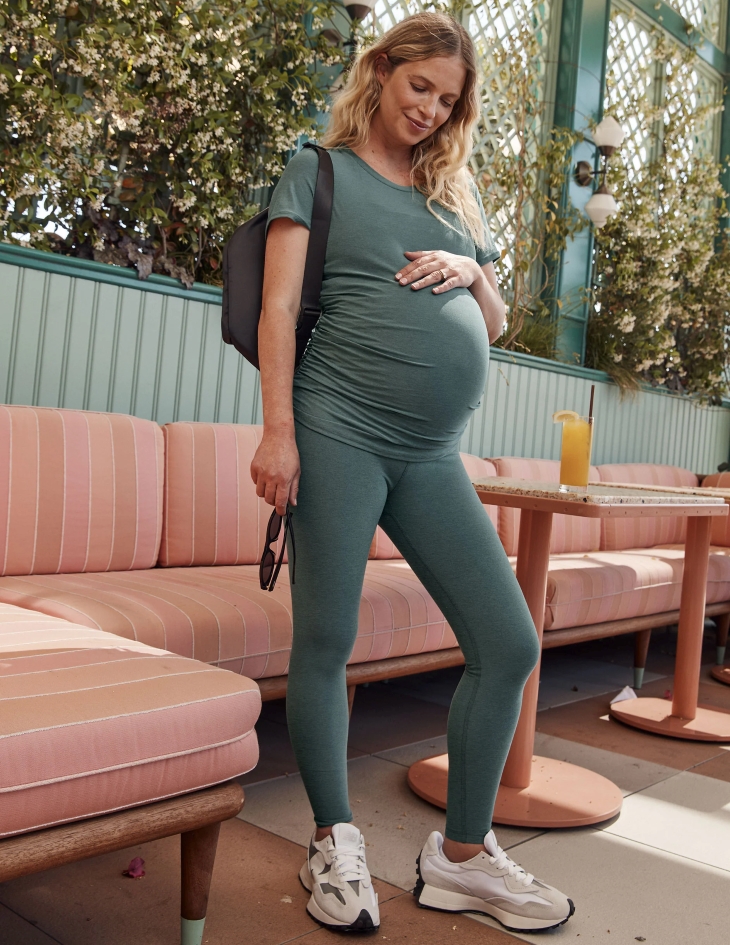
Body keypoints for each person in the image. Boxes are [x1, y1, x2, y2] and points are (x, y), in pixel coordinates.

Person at [250, 10, 574, 936]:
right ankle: (334, 842)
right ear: (382, 72)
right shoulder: (318, 172)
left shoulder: (449, 203)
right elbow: (277, 312)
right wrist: (280, 434)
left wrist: (470, 266)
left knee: (510, 642)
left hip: (431, 454)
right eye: (419, 86)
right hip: (338, 428)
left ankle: (462, 856)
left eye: (449, 98)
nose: (430, 108)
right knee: (327, 642)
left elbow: (501, 322)